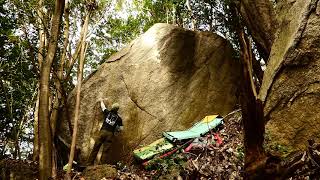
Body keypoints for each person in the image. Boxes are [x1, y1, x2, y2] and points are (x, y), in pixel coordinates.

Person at [86, 100, 123, 165]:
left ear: (112, 107)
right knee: (105, 151)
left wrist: (101, 101)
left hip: (102, 132)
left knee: (96, 147)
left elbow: (103, 107)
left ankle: (89, 163)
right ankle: (100, 165)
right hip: (110, 134)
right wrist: (116, 129)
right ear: (117, 109)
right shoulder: (119, 118)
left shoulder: (108, 113)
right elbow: (121, 129)